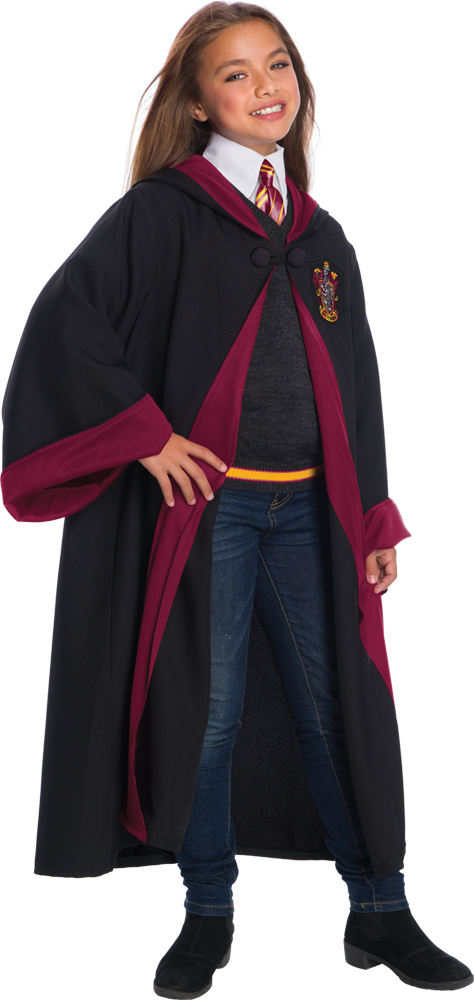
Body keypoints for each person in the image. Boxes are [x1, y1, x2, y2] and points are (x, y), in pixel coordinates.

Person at [1, 3, 472, 998]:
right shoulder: (162, 214)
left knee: (335, 705)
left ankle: (380, 908)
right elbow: (66, 324)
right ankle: (206, 912)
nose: (265, 87)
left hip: (311, 515)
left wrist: (373, 515)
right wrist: (145, 435)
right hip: (208, 514)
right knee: (204, 715)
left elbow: (357, 387)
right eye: (235, 73)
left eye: (278, 65)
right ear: (196, 100)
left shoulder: (321, 235)